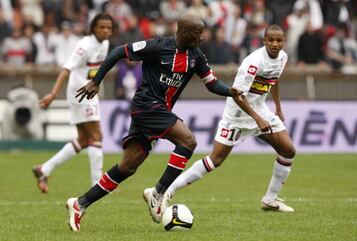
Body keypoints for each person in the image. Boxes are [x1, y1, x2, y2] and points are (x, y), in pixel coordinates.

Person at [66, 13, 241, 231]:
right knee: (188, 141)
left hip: (158, 111)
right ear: (183, 32)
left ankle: (79, 204)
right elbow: (118, 51)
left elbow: (212, 83)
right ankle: (158, 194)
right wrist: (96, 80)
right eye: (198, 33)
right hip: (146, 106)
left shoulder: (196, 55)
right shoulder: (158, 46)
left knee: (127, 167)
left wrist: (230, 91)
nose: (202, 37)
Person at [161, 24, 296, 215]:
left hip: (260, 110)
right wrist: (257, 119)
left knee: (288, 150)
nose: (275, 44)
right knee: (215, 160)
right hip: (238, 115)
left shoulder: (282, 58)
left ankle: (270, 199)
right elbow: (237, 95)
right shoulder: (253, 62)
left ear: (284, 41)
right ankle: (167, 191)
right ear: (264, 41)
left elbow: (274, 79)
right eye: (271, 40)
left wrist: (278, 108)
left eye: (279, 40)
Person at [32, 13, 114, 193]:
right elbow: (66, 69)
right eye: (102, 27)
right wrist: (53, 94)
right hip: (81, 92)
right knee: (97, 136)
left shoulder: (105, 44)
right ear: (93, 28)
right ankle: (97, 185)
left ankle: (44, 169)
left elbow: (94, 70)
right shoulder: (84, 45)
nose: (106, 31)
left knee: (84, 139)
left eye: (109, 27)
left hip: (88, 90)